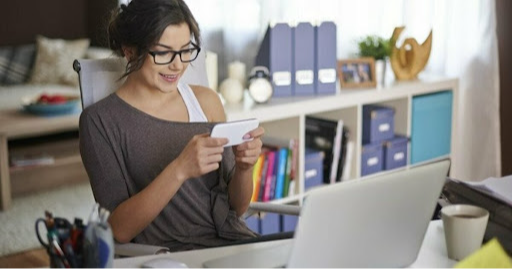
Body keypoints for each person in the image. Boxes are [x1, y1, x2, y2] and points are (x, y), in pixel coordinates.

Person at [79, 0, 264, 251]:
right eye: (163, 52)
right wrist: (180, 169)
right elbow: (119, 230)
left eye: (186, 50)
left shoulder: (207, 102)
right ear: (130, 50)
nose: (177, 65)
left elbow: (237, 209)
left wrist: (244, 169)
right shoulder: (100, 122)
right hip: (170, 257)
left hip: (235, 245)